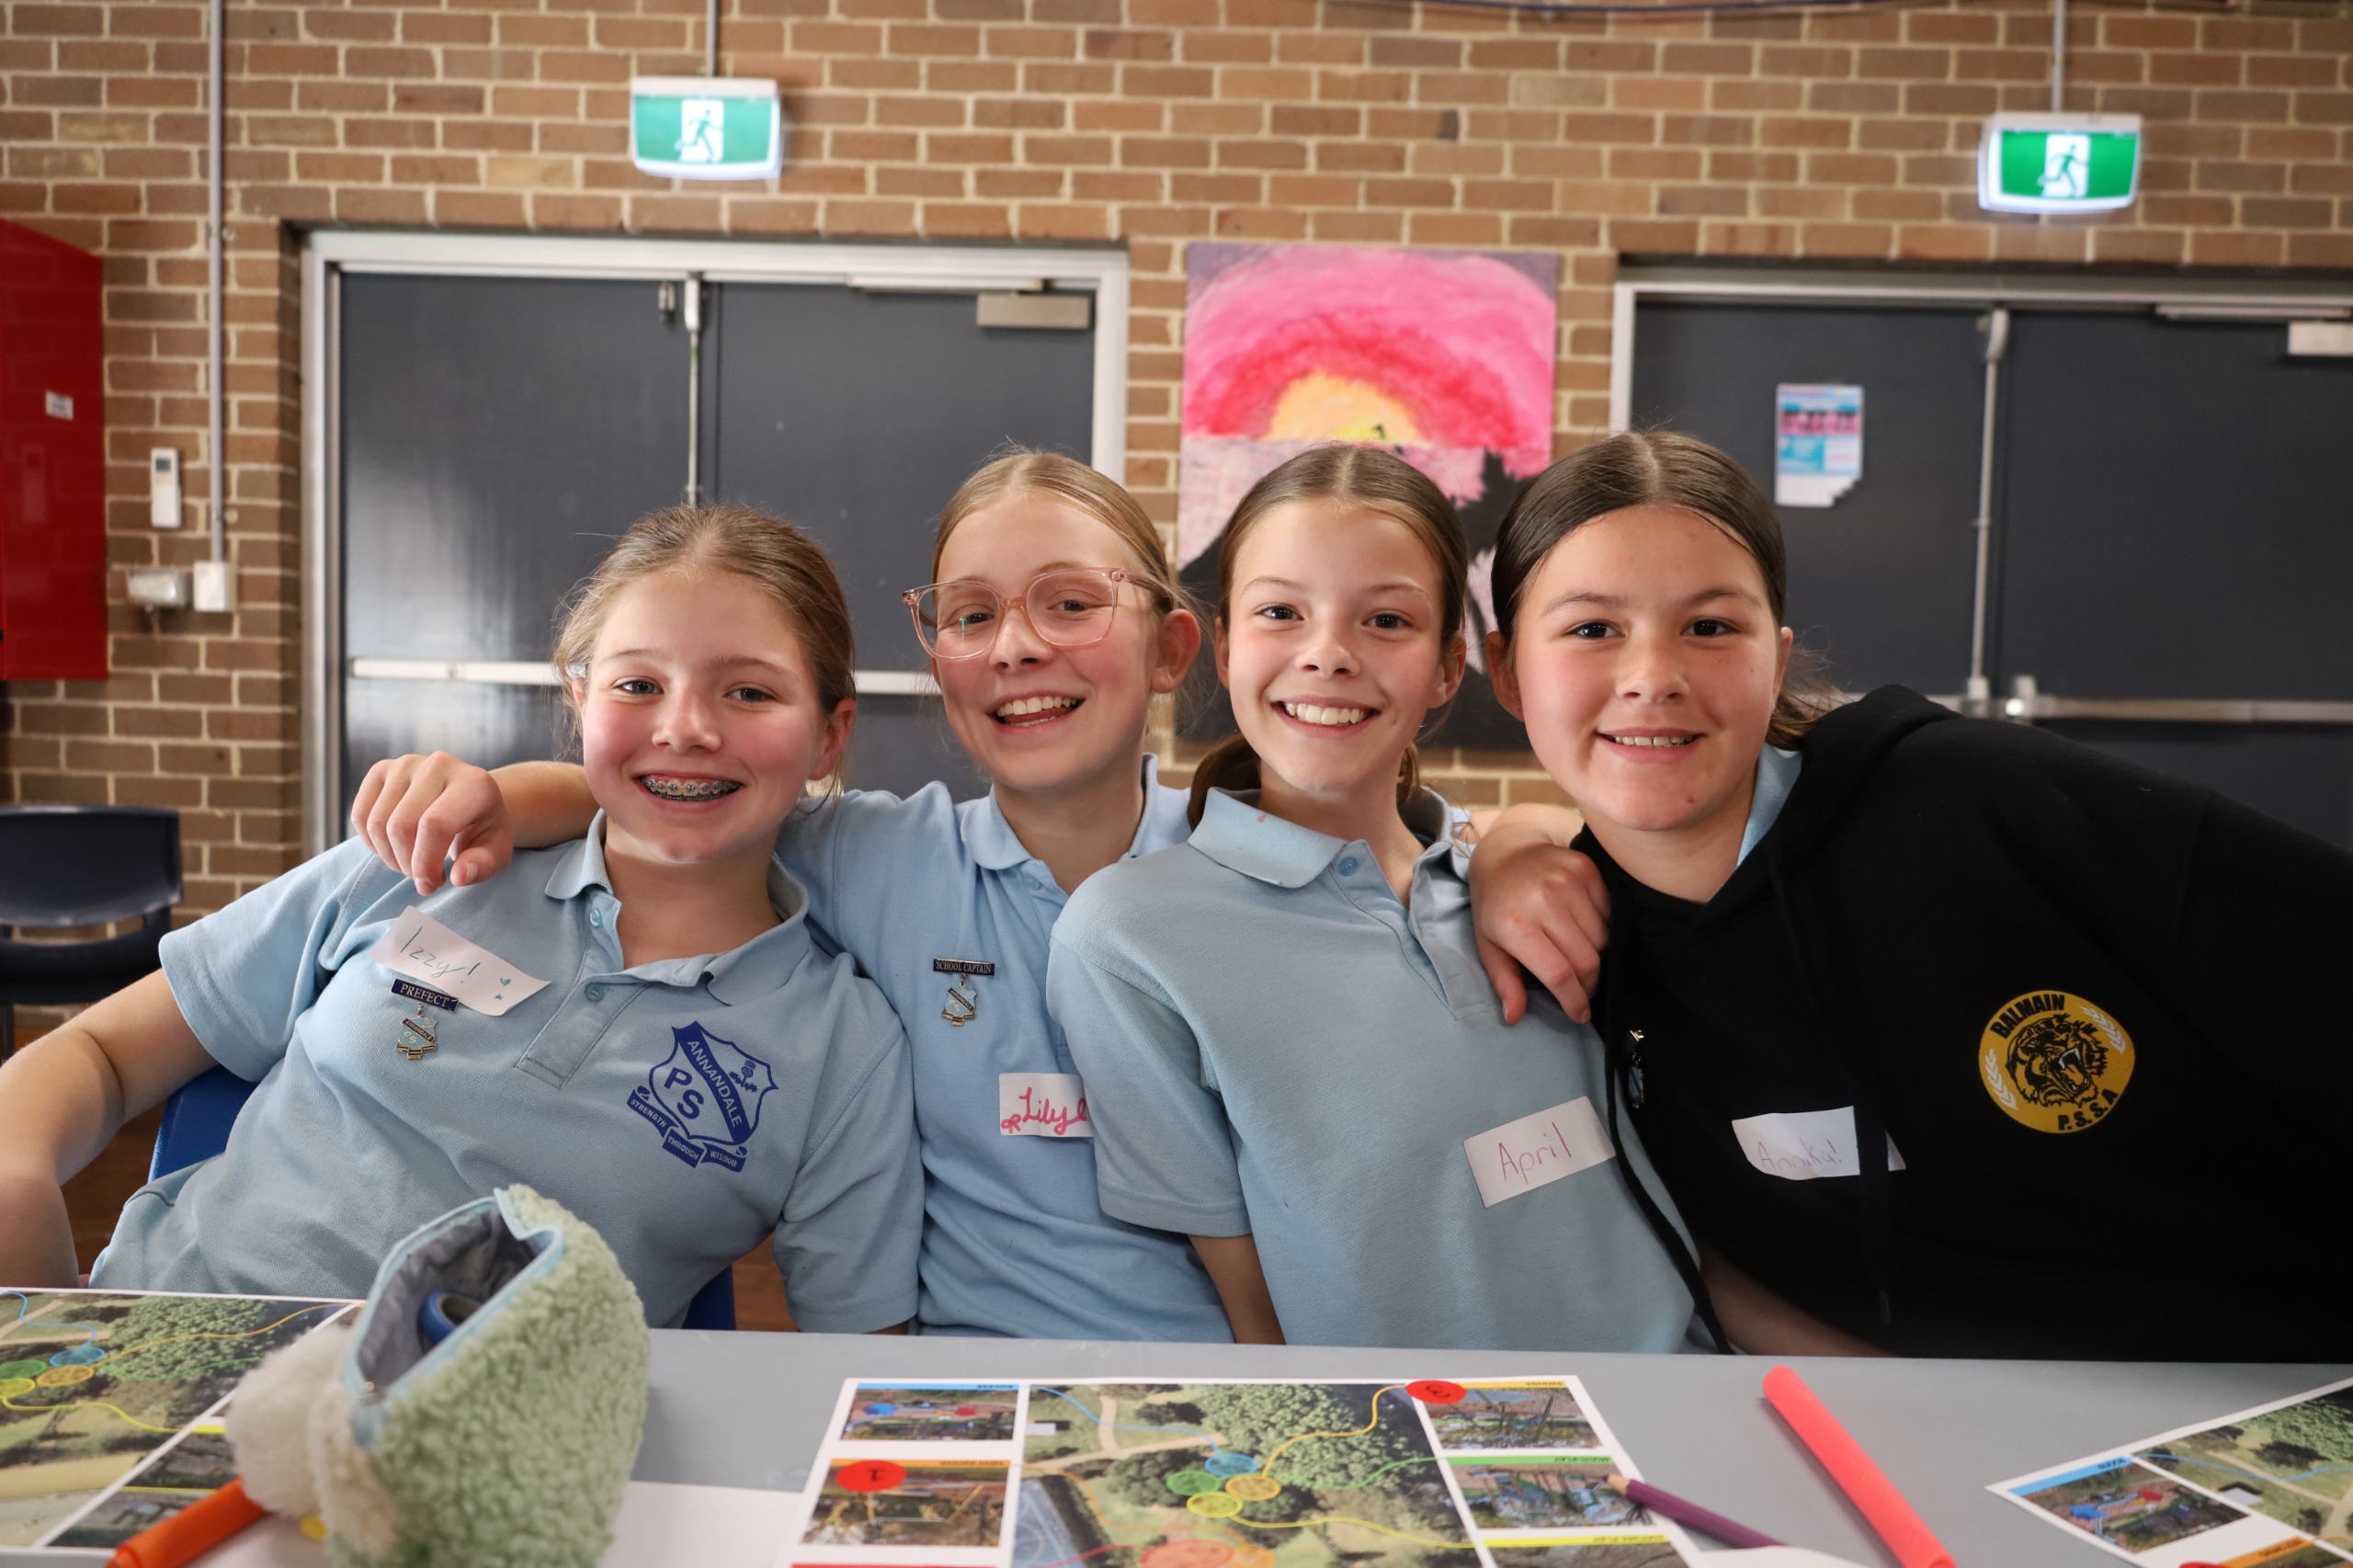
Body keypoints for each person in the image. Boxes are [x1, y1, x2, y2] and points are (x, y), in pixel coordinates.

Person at [1472, 429, 2353, 1360]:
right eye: (1591, 628)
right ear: (1505, 671)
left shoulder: (1976, 801)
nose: (1652, 676)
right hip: (2003, 1464)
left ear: (1774, 657)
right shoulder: (1588, 952)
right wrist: (1505, 843)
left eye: (1709, 626)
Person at [346, 454, 1232, 1341]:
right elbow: (669, 796)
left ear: (1171, 649)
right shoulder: (881, 855)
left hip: (1209, 1385)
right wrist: (499, 797)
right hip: (966, 1385)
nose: (1015, 645)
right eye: (970, 614)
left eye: (1071, 603)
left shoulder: (1243, 884)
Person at [0, 506, 923, 1332]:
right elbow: (104, 1053)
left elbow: (853, 1362)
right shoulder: (422, 853)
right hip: (161, 1360)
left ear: (828, 735)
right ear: (579, 699)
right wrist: (15, 1164)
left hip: (464, 1470)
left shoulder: (844, 1048)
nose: (684, 726)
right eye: (637, 684)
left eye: (749, 691)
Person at [1045, 445, 1710, 1351]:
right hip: (1423, 1442)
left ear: (1447, 667)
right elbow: (1253, 1306)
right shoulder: (1126, 937)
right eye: (1282, 611)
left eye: (1385, 619)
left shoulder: (1510, 864)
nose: (1327, 654)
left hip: (1683, 1387)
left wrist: (1511, 838)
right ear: (1229, 646)